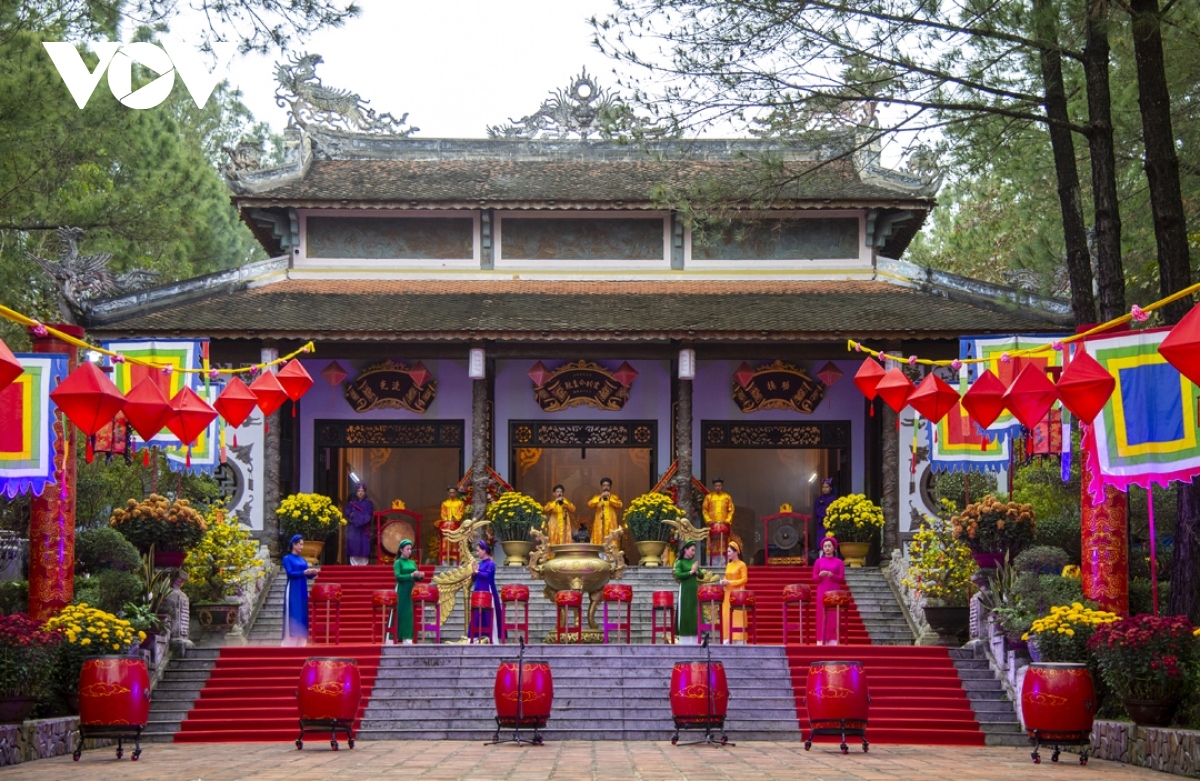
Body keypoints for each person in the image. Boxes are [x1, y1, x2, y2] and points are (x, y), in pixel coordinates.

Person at [282, 534, 319, 646]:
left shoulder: (303, 560)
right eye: (300, 544)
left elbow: (307, 576)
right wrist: (303, 573)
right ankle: (289, 642)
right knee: (293, 612)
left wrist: (312, 573)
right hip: (293, 588)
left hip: (302, 589)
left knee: (302, 614)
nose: (302, 547)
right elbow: (290, 573)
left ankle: (301, 642)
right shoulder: (287, 558)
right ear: (294, 544)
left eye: (303, 544)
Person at [813, 536, 847, 645]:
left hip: (834, 590)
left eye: (829, 546)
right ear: (823, 548)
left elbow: (841, 578)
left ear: (833, 548)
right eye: (825, 546)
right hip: (822, 589)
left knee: (833, 614)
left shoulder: (839, 562)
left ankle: (833, 639)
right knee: (821, 614)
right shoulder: (818, 562)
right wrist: (820, 575)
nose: (827, 548)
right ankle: (820, 639)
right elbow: (814, 578)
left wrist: (832, 575)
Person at [469, 539, 504, 643]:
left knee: (489, 615)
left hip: (487, 592)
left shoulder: (491, 564)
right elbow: (474, 579)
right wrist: (474, 573)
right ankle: (476, 637)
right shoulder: (480, 564)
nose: (477, 552)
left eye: (479, 550)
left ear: (484, 550)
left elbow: (487, 575)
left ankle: (490, 637)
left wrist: (477, 571)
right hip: (478, 593)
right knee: (477, 615)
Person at [392, 539, 425, 645]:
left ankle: (408, 637)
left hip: (411, 590)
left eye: (410, 549)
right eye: (407, 549)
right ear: (401, 550)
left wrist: (420, 575)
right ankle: (399, 636)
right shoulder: (398, 562)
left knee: (409, 613)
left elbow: (417, 579)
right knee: (401, 612)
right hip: (401, 590)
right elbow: (398, 576)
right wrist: (411, 575)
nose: (409, 551)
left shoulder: (412, 563)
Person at [719, 541, 748, 644]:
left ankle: (739, 640)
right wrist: (723, 581)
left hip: (738, 594)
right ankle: (727, 639)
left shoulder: (742, 565)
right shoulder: (729, 565)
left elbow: (744, 579)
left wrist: (730, 582)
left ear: (736, 552)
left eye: (729, 551)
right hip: (728, 594)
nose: (728, 553)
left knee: (738, 616)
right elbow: (726, 577)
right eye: (727, 551)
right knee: (726, 615)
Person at [673, 540, 702, 644]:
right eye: (692, 550)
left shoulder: (693, 562)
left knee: (694, 613)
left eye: (695, 551)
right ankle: (684, 640)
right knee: (685, 612)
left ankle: (695, 639)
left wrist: (697, 571)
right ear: (685, 549)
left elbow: (702, 575)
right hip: (684, 590)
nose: (694, 553)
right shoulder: (680, 562)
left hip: (694, 590)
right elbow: (679, 575)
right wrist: (691, 572)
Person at [345, 483, 374, 565]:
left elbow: (368, 515)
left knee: (364, 549)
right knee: (354, 548)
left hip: (364, 530)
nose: (360, 493)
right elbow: (348, 514)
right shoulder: (351, 504)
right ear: (356, 492)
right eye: (359, 491)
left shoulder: (369, 504)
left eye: (362, 491)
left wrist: (355, 515)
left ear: (365, 492)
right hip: (353, 530)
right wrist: (359, 517)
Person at [588, 478, 623, 545]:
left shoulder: (614, 497)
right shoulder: (597, 497)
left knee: (612, 541)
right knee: (599, 540)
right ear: (601, 487)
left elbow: (619, 505)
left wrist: (610, 498)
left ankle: (612, 555)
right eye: (604, 485)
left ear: (610, 487)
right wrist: (600, 497)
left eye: (608, 485)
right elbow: (590, 504)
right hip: (599, 523)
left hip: (611, 523)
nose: (606, 487)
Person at [437, 486, 467, 564]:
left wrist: (455, 518)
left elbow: (461, 513)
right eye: (450, 492)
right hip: (447, 527)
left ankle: (456, 562)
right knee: (445, 543)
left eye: (453, 492)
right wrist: (447, 519)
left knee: (456, 544)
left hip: (456, 526)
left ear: (456, 493)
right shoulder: (445, 503)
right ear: (448, 493)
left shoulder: (460, 503)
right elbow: (443, 513)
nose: (452, 494)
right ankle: (444, 561)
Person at [812, 478, 838, 552]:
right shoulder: (818, 499)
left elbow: (834, 510)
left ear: (830, 488)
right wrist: (826, 512)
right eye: (823, 487)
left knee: (832, 542)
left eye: (827, 487)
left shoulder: (834, 499)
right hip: (822, 524)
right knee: (821, 542)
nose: (825, 489)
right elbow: (817, 510)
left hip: (831, 525)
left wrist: (827, 513)